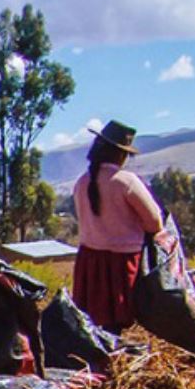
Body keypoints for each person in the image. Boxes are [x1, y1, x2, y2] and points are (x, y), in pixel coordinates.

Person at [72, 120, 164, 331]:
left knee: (96, 323)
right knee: (118, 322)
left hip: (90, 259)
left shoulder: (82, 182)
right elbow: (154, 222)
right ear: (120, 154)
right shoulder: (126, 181)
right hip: (122, 263)